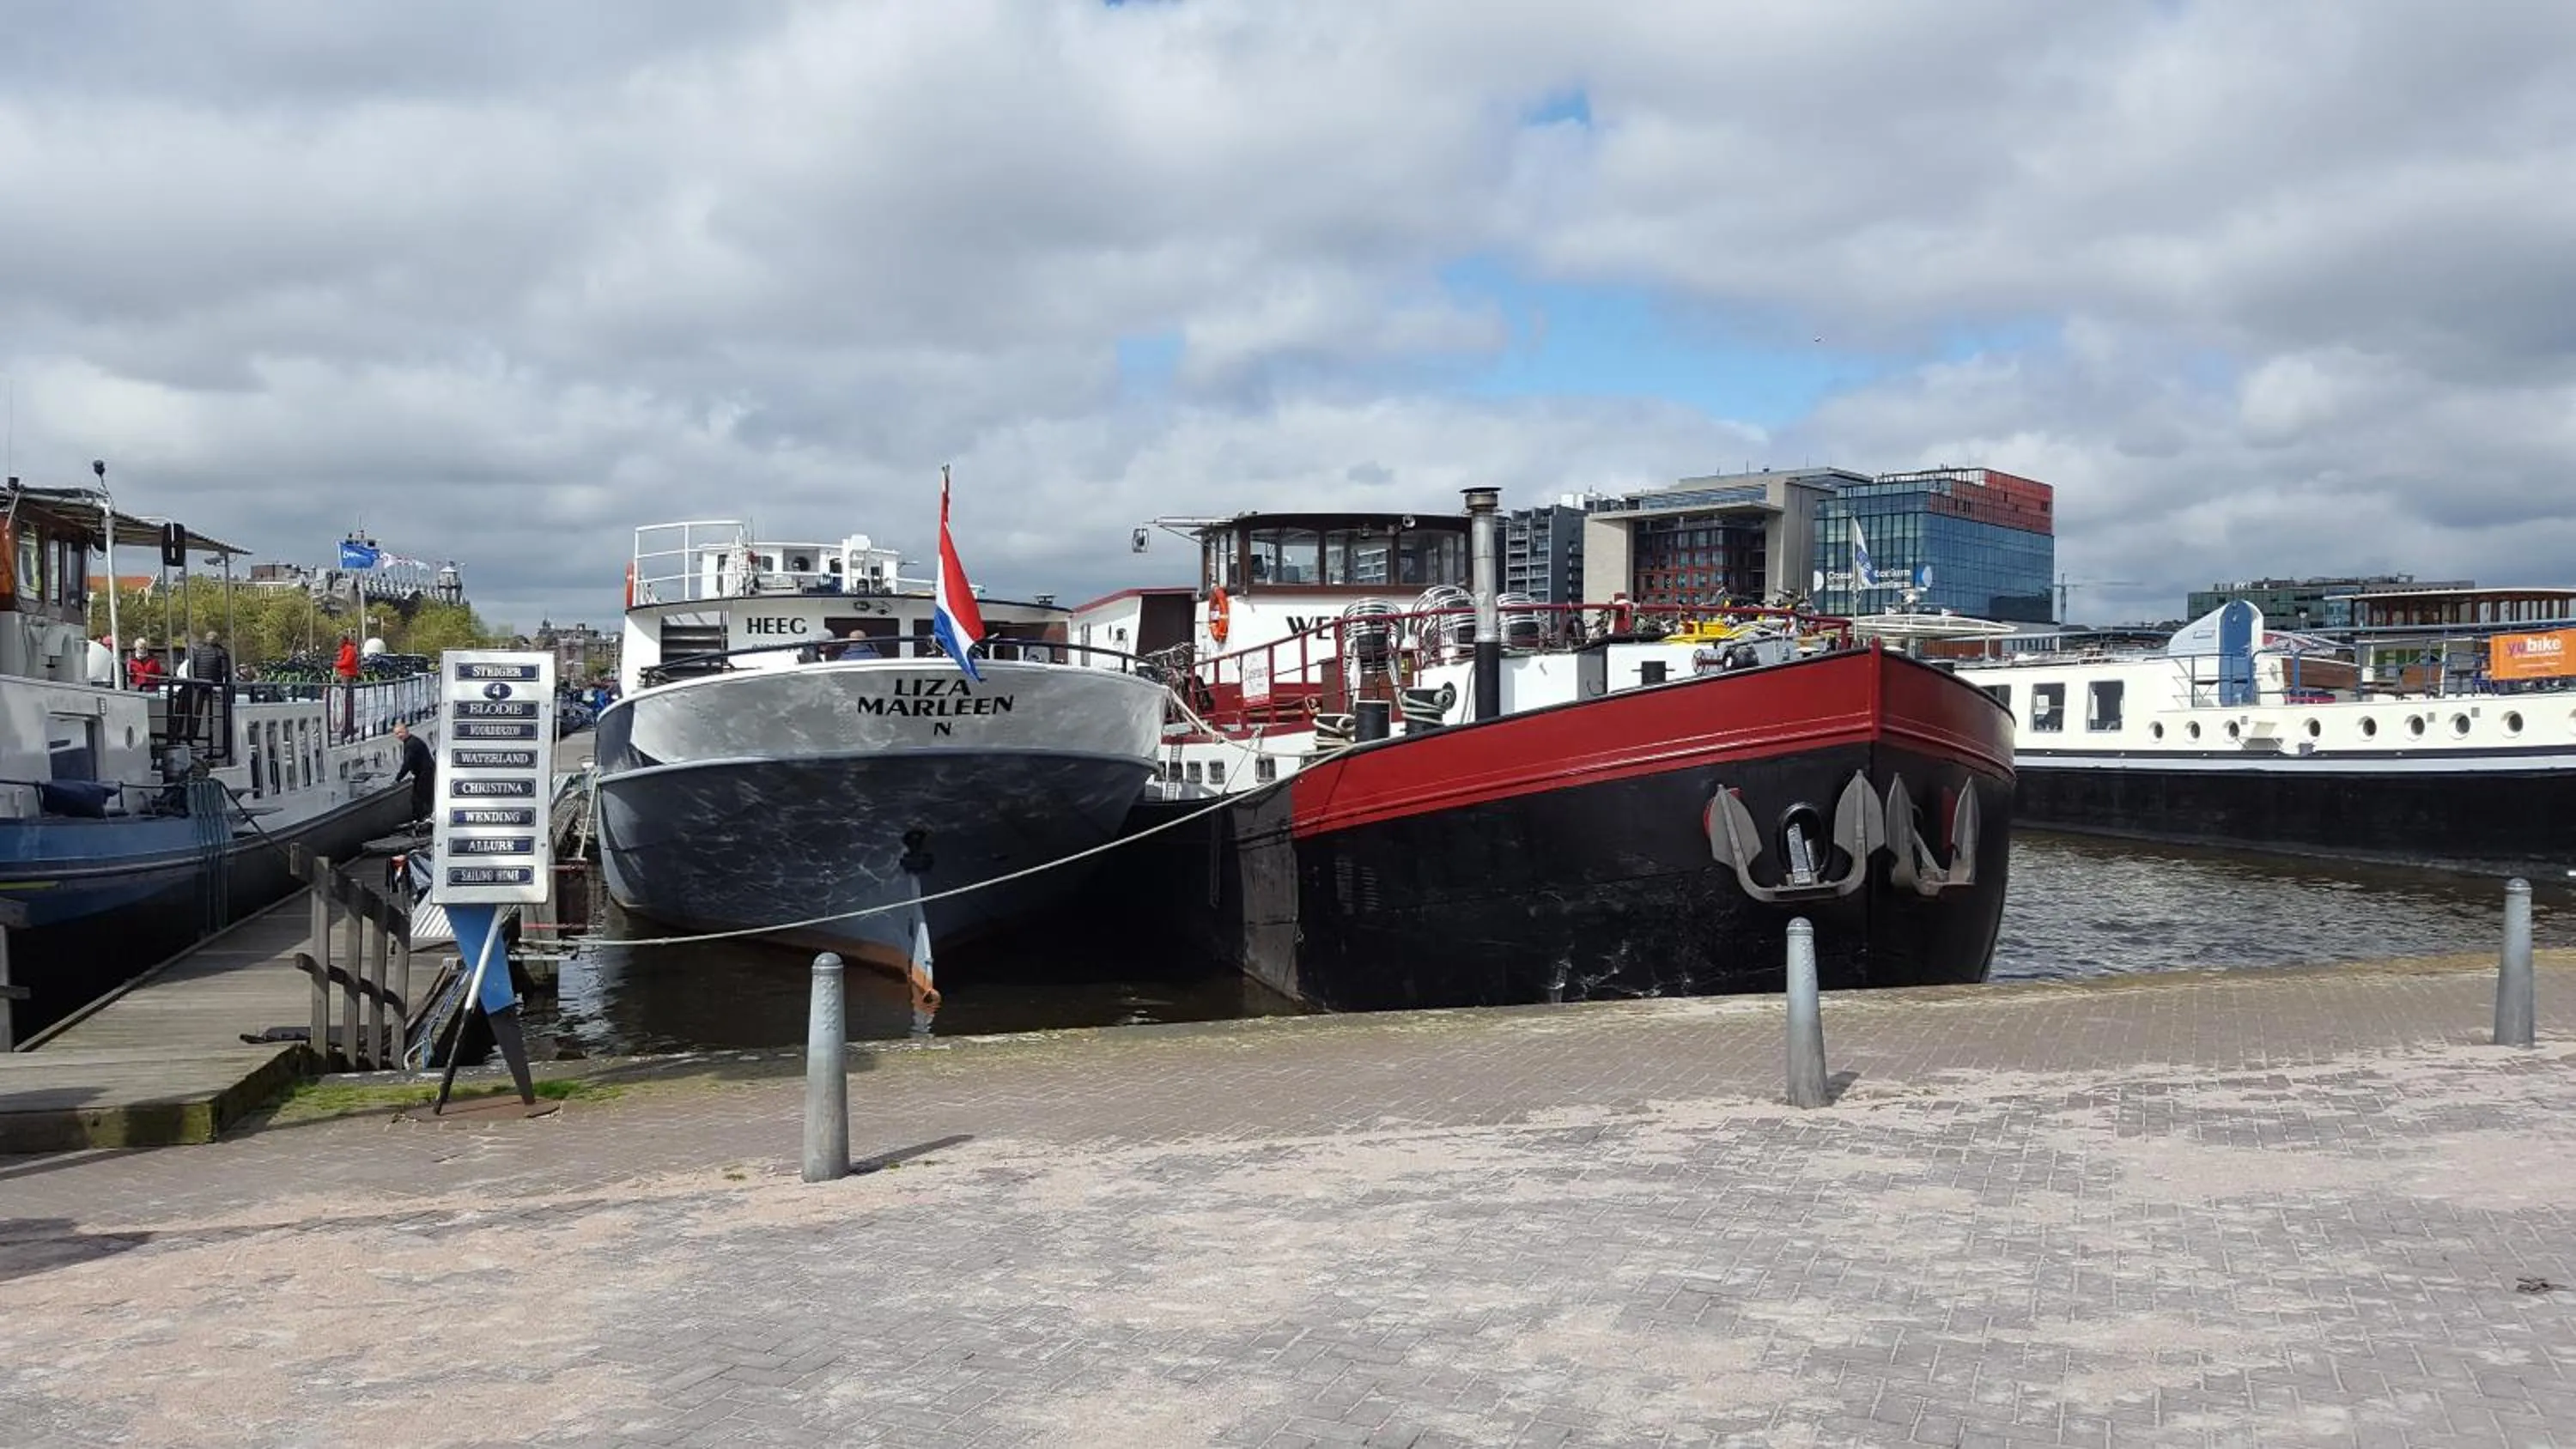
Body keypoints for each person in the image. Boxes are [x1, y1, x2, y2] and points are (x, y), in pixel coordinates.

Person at [392, 721, 435, 824]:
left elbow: (407, 763)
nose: (399, 735)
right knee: (424, 796)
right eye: (397, 734)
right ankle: (425, 817)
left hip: (424, 773)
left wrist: (398, 779)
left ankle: (421, 820)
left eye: (401, 732)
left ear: (406, 731)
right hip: (424, 772)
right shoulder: (412, 741)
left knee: (418, 798)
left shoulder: (411, 744)